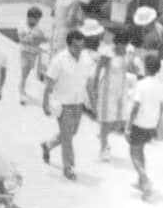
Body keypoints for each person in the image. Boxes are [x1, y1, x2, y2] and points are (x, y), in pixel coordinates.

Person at [42, 29, 96, 181]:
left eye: (81, 46)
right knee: (67, 138)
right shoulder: (59, 60)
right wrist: (45, 103)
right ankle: (69, 168)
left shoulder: (86, 59)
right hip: (63, 104)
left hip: (78, 104)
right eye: (76, 46)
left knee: (71, 133)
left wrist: (93, 105)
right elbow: (49, 83)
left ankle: (47, 145)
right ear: (69, 45)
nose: (79, 50)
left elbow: (89, 84)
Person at [126, 52, 162, 199]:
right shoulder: (161, 86)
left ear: (146, 68)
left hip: (139, 124)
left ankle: (145, 182)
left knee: (134, 153)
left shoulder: (141, 85)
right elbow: (161, 108)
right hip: (151, 125)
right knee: (140, 151)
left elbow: (135, 107)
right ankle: (141, 180)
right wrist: (158, 126)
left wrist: (128, 126)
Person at [92, 28, 132, 162]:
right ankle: (103, 148)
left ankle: (103, 136)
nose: (124, 46)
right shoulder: (108, 53)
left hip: (121, 91)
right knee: (106, 120)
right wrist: (94, 88)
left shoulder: (127, 54)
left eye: (126, 44)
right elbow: (98, 70)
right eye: (123, 43)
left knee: (118, 122)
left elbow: (129, 69)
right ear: (117, 43)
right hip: (107, 91)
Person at [17, 6, 48, 104]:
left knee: (29, 70)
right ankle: (21, 93)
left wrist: (35, 39)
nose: (38, 21)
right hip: (25, 52)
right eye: (36, 19)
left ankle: (22, 88)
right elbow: (22, 39)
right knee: (24, 72)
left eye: (39, 19)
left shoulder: (38, 28)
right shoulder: (22, 25)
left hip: (34, 54)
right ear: (30, 18)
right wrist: (34, 38)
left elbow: (42, 39)